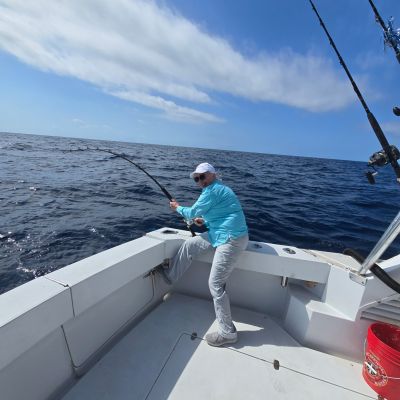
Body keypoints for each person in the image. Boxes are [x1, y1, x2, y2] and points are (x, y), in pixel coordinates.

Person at [158, 162, 249, 347]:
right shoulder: (219, 190)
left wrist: (177, 207)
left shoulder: (213, 190)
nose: (200, 181)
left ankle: (228, 333)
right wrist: (203, 220)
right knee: (190, 244)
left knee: (215, 284)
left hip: (231, 239)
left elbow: (190, 212)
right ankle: (170, 277)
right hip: (219, 233)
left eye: (202, 176)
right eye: (197, 178)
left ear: (212, 174)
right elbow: (219, 213)